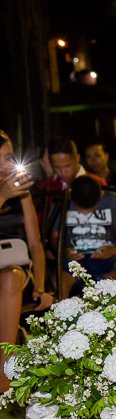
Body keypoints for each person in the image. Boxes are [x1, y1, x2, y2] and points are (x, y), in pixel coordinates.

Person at [0, 130, 53, 392]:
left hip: (16, 270)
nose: (4, 165)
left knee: (9, 276)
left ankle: (4, 375)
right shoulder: (9, 192)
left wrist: (41, 286)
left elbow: (36, 244)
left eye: (8, 157)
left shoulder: (22, 192)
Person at [51, 176, 116, 297]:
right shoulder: (62, 201)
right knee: (58, 285)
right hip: (72, 261)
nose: (85, 213)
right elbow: (54, 236)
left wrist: (114, 249)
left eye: (91, 208)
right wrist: (63, 251)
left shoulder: (112, 200)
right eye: (80, 208)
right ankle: (62, 314)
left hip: (108, 259)